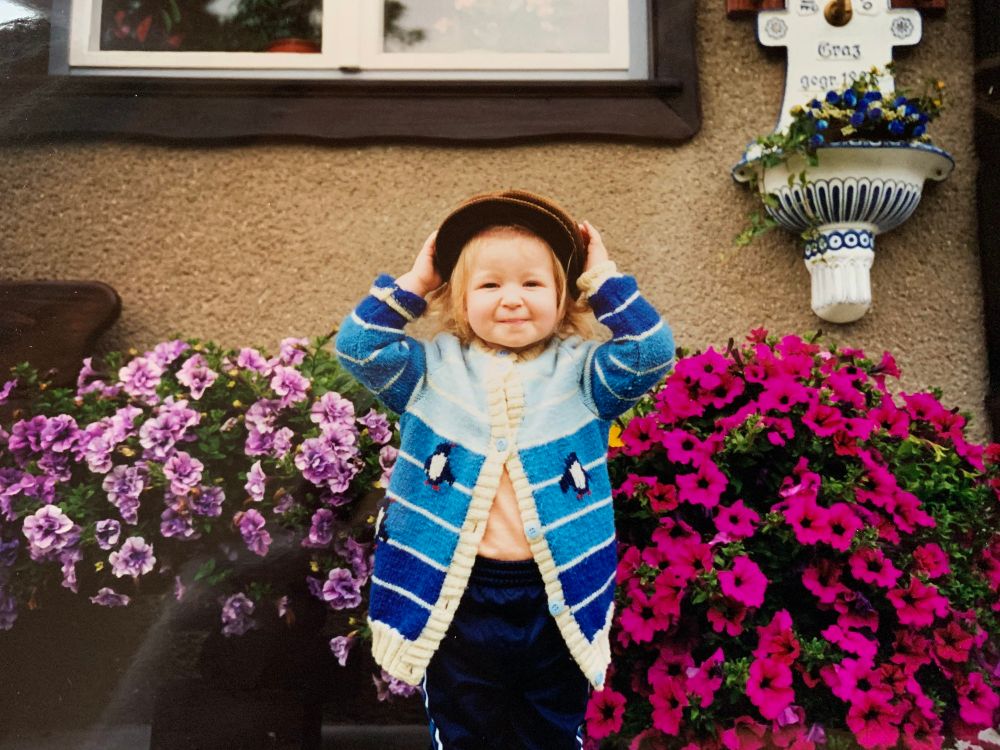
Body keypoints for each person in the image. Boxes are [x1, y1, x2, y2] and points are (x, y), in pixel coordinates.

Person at [335, 190, 674, 749]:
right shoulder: (429, 372)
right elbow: (360, 346)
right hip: (457, 594)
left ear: (565, 298)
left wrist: (605, 280)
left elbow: (650, 352)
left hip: (554, 595)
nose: (512, 299)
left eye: (533, 284)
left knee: (552, 729)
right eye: (489, 285)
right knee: (465, 728)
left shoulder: (585, 377)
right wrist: (417, 280)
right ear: (458, 299)